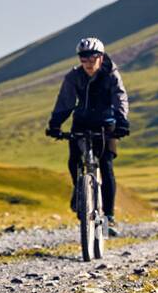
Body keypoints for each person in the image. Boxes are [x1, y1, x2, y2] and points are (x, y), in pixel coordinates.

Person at [45, 37, 131, 235]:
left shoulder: (111, 75)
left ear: (100, 58)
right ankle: (80, 191)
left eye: (92, 59)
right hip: (82, 122)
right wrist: (55, 124)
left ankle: (109, 218)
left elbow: (120, 97)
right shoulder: (73, 77)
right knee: (74, 159)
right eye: (84, 60)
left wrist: (122, 121)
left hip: (106, 124)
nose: (88, 64)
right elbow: (65, 102)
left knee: (107, 166)